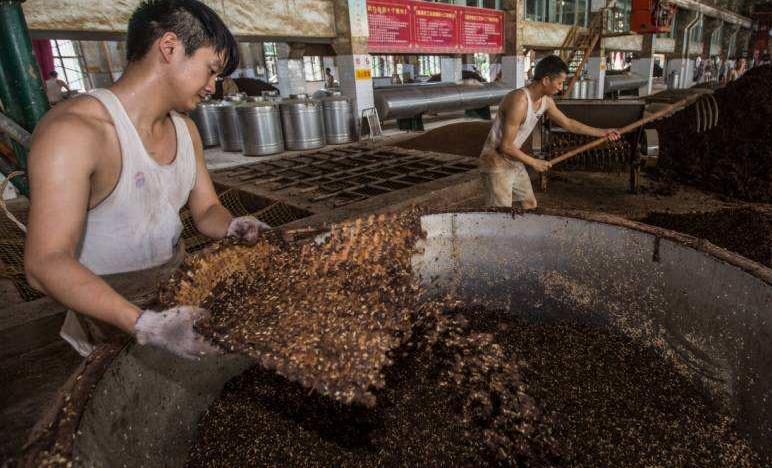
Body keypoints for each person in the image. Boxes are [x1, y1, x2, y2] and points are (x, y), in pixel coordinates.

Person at [25, 0, 267, 359]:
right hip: (107, 323)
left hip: (176, 307)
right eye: (210, 70)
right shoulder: (74, 133)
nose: (213, 87)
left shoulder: (186, 131)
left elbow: (207, 209)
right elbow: (44, 264)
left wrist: (232, 225)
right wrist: (148, 325)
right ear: (169, 48)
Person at [479, 55, 620, 209]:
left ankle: (524, 232)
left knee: (530, 204)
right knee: (500, 211)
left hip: (513, 158)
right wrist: (534, 162)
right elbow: (505, 146)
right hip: (495, 160)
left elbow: (568, 123)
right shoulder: (519, 101)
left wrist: (602, 132)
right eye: (559, 83)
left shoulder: (546, 101)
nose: (561, 88)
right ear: (546, 80)